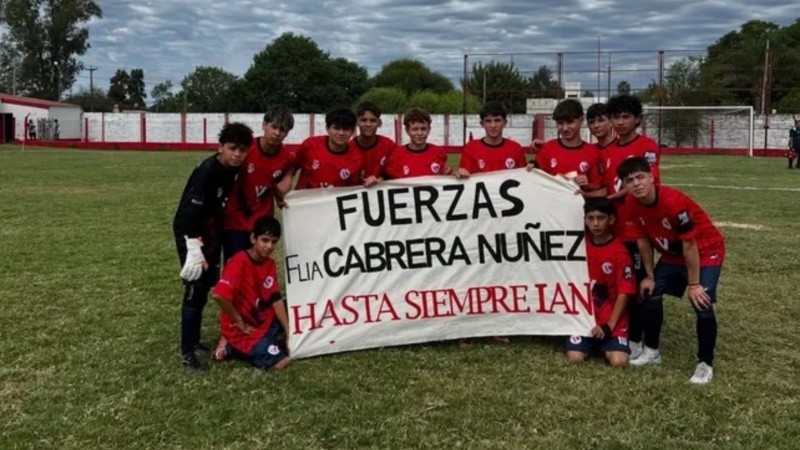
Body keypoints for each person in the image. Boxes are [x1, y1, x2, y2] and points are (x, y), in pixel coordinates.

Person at [617, 157, 725, 385]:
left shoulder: (673, 201)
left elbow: (690, 244)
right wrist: (649, 275)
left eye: (640, 177)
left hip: (705, 250)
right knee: (650, 291)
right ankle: (652, 351)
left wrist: (694, 284)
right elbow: (642, 240)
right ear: (624, 186)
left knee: (701, 302)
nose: (636, 184)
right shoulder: (630, 203)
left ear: (651, 176)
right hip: (673, 254)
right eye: (629, 180)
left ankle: (705, 363)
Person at [173, 122, 253, 371]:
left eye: (242, 149)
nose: (237, 154)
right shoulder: (208, 171)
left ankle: (195, 341)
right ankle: (187, 353)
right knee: (195, 289)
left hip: (211, 234)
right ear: (220, 148)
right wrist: (193, 247)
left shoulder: (232, 170)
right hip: (192, 235)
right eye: (232, 148)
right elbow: (186, 215)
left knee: (208, 285)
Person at [210, 216, 291, 370]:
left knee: (297, 309)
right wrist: (239, 322)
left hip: (263, 316)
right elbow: (218, 294)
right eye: (265, 240)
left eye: (273, 242)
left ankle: (270, 341)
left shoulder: (269, 263)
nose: (269, 246)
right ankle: (229, 347)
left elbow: (275, 299)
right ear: (253, 238)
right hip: (243, 327)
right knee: (279, 362)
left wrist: (289, 333)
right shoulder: (239, 261)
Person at [565, 198, 635, 367]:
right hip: (584, 316)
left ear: (611, 220)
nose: (595, 223)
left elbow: (624, 292)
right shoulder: (579, 244)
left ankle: (606, 341)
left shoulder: (620, 252)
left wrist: (609, 326)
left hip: (609, 317)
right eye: (590, 218)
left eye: (601, 218)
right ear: (584, 220)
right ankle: (591, 342)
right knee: (574, 357)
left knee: (619, 362)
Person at [223, 106, 295, 261]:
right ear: (264, 125)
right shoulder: (245, 148)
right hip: (235, 219)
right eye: (273, 127)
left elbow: (276, 184)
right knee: (234, 266)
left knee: (257, 266)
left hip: (262, 222)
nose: (277, 133)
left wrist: (280, 198)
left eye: (282, 130)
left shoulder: (287, 157)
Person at [531, 99, 605, 197]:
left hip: (580, 210)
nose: (565, 128)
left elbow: (600, 189)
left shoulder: (593, 152)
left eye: (570, 122)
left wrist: (588, 185)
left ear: (581, 120)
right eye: (560, 123)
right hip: (551, 208)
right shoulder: (547, 149)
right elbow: (534, 182)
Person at [603, 94, 660, 200]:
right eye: (616, 117)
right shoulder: (608, 150)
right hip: (616, 213)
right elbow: (608, 186)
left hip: (640, 210)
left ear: (638, 119)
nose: (620, 122)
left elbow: (647, 181)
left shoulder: (647, 145)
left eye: (626, 117)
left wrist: (610, 199)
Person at [293, 108, 364, 190]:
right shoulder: (310, 145)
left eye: (346, 129)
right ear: (327, 128)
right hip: (304, 201)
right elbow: (292, 165)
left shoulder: (356, 159)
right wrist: (286, 180)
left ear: (353, 132)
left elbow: (353, 190)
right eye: (336, 128)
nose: (341, 133)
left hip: (332, 202)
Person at [457, 101, 527, 178]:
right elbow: (464, 179)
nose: (493, 125)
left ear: (505, 122)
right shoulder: (470, 148)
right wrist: (461, 174)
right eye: (488, 121)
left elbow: (524, 179)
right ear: (482, 124)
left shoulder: (516, 149)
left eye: (497, 120)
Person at [383, 107, 452, 179]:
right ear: (407, 130)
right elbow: (385, 181)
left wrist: (454, 173)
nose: (419, 133)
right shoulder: (396, 154)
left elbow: (448, 176)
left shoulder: (438, 153)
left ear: (429, 130)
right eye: (415, 129)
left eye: (423, 129)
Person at [354, 102, 396, 185]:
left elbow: (396, 171)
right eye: (363, 120)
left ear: (379, 123)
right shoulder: (349, 148)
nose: (368, 124)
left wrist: (382, 179)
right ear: (357, 122)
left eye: (372, 120)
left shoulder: (389, 146)